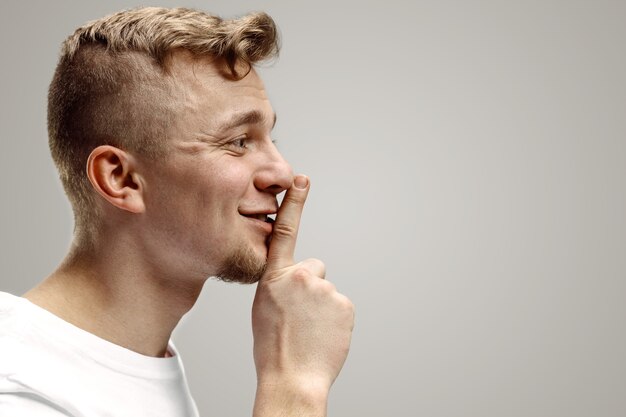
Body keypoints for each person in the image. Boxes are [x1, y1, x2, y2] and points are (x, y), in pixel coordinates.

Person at [0, 7, 354, 417]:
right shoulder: (21, 392)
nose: (282, 172)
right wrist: (294, 385)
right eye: (238, 141)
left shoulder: (142, 362)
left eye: (269, 137)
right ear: (121, 179)